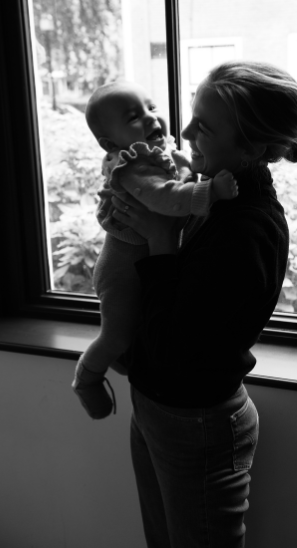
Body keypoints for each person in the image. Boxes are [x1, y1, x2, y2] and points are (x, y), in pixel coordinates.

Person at [103, 60, 297, 547]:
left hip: (195, 423)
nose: (183, 133)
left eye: (203, 126)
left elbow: (176, 349)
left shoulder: (249, 231)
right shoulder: (210, 197)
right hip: (160, 408)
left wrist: (160, 238)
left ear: (254, 145)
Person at [72, 81, 238, 420]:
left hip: (136, 263)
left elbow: (178, 179)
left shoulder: (155, 153)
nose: (150, 119)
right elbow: (168, 198)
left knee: (132, 327)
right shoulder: (132, 166)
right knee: (115, 334)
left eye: (151, 108)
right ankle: (86, 378)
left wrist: (191, 171)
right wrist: (212, 191)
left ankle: (121, 358)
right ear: (109, 142)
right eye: (134, 116)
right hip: (120, 271)